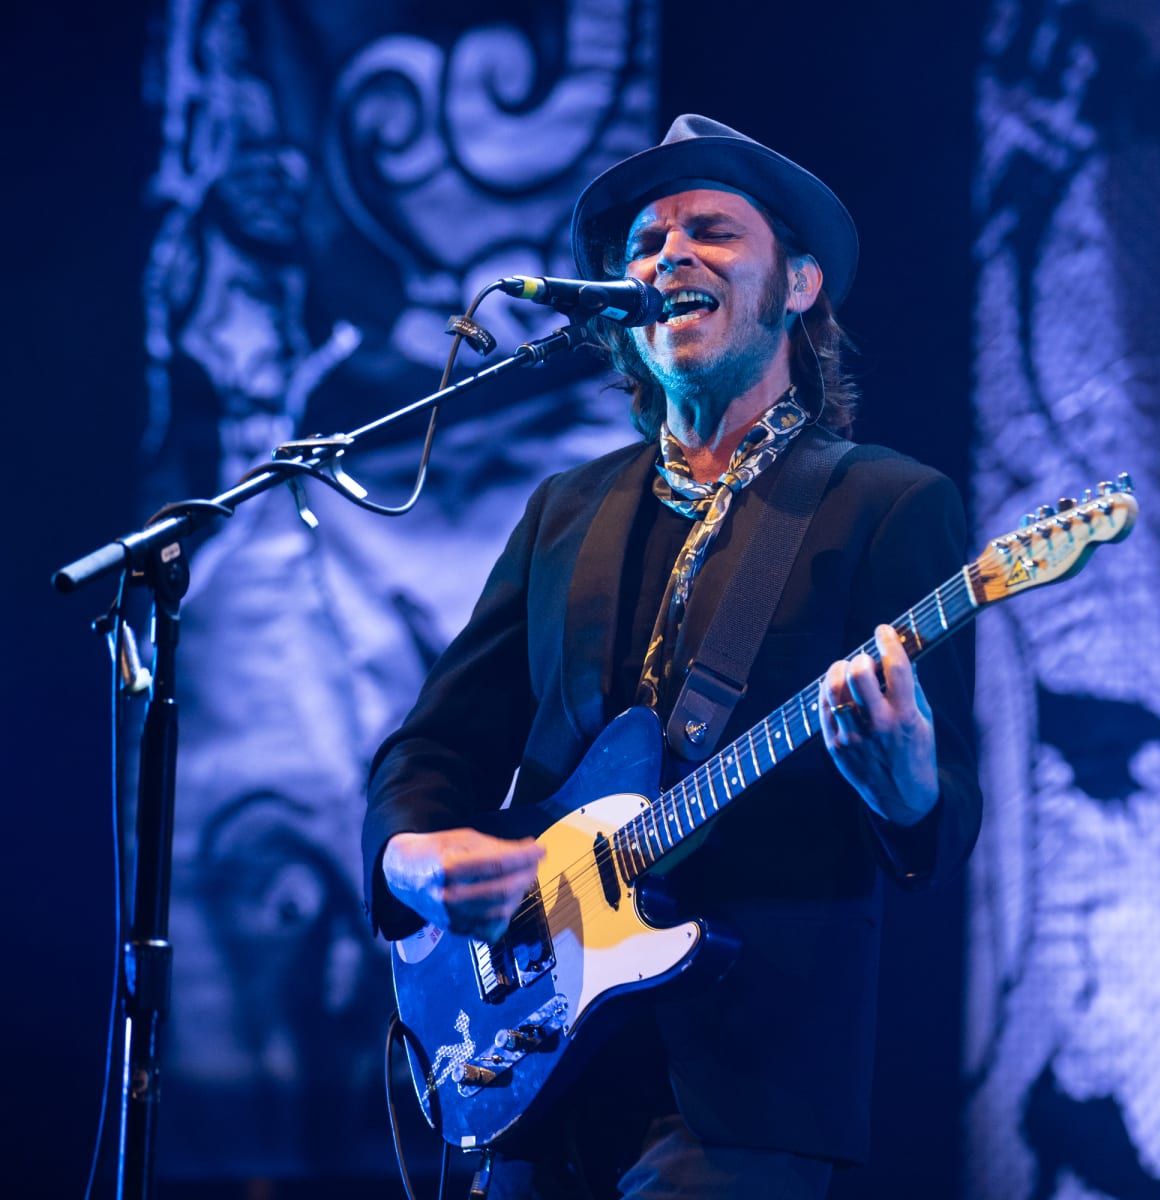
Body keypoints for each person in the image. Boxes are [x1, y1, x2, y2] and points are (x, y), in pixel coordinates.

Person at [362, 114, 982, 1198]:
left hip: (743, 1088)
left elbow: (946, 808)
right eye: (646, 244)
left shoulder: (886, 504)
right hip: (534, 1060)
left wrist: (909, 786)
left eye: (712, 232)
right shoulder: (567, 509)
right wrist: (410, 857)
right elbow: (436, 747)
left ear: (798, 285)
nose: (668, 259)